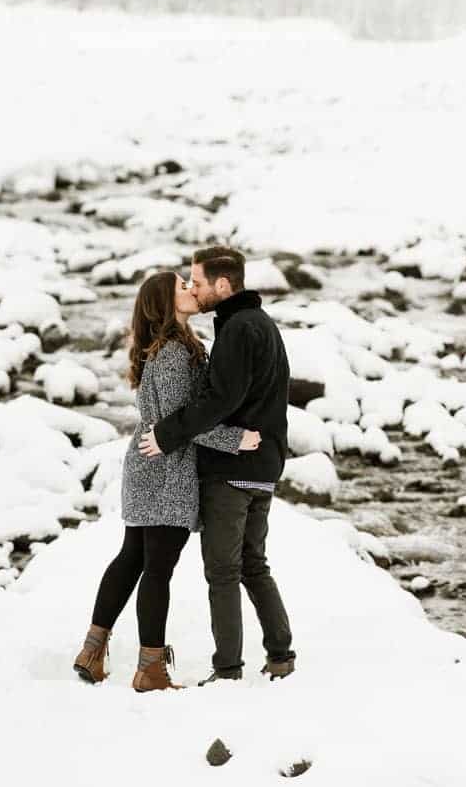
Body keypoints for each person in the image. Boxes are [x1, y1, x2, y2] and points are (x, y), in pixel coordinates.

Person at [73, 271, 261, 692]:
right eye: (182, 287)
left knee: (132, 559)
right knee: (156, 568)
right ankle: (151, 668)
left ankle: (92, 650)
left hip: (149, 464)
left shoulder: (165, 347)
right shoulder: (176, 352)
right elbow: (183, 423)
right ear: (166, 302)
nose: (192, 290)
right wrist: (238, 440)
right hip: (166, 470)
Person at [138, 246, 296, 684]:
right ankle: (281, 655)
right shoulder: (258, 324)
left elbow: (219, 401)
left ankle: (227, 670)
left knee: (223, 571)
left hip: (232, 468)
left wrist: (168, 434)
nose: (194, 289)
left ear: (223, 285)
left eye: (200, 282)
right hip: (263, 466)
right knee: (252, 563)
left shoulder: (239, 329)